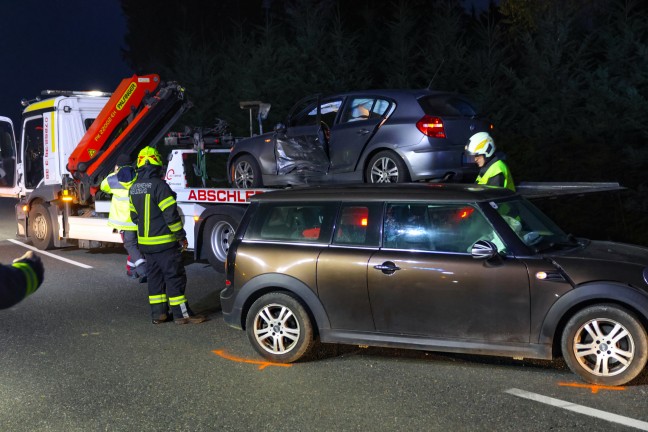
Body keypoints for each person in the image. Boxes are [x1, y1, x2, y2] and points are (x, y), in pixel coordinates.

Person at [129, 146, 206, 325]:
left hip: (146, 245)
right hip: (165, 244)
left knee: (155, 278)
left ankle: (159, 314)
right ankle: (182, 315)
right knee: (174, 277)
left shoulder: (134, 188)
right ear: (156, 164)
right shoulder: (160, 186)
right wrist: (180, 235)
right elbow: (170, 215)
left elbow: (134, 217)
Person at [100, 154, 146, 281]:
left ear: (118, 166)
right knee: (137, 246)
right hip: (138, 219)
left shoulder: (112, 179)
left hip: (123, 222)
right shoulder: (138, 177)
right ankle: (131, 270)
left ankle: (143, 270)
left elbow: (102, 186)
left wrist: (114, 173)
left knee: (131, 245)